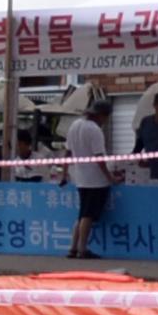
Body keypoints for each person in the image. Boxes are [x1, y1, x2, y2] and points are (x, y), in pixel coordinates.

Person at [64, 92, 113, 262]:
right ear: (101, 115)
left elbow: (67, 152)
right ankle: (82, 249)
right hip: (96, 180)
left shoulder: (74, 125)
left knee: (82, 213)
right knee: (88, 215)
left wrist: (64, 172)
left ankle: (73, 247)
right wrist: (110, 177)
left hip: (80, 177)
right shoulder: (95, 130)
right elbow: (99, 158)